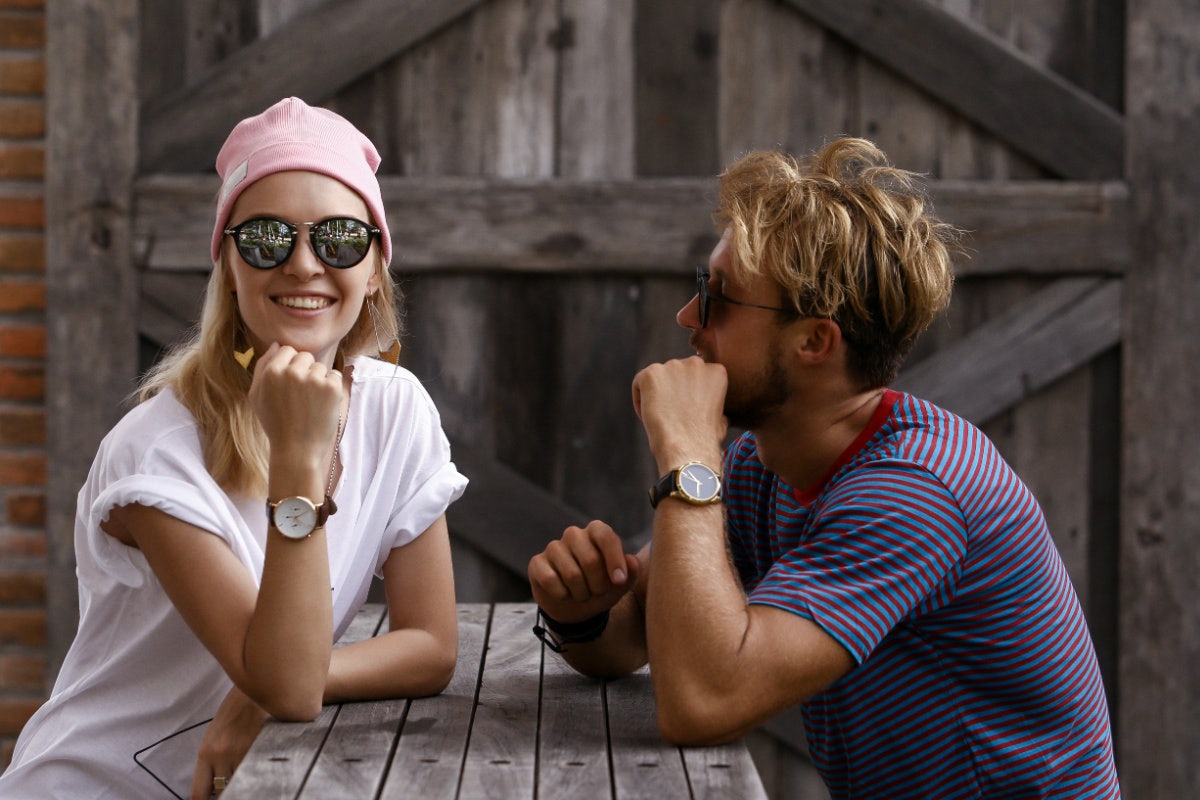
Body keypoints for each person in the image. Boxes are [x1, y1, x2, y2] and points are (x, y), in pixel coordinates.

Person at [528, 138, 1121, 799]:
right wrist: (577, 613)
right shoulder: (766, 463)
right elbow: (631, 634)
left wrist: (688, 458)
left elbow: (702, 702)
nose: (688, 318)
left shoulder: (914, 493)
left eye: (718, 296)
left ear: (814, 341)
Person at [0, 97, 467, 799]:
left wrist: (274, 687)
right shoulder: (156, 453)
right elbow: (290, 683)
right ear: (230, 264)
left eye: (339, 238)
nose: (304, 264)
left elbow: (430, 647)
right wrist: (300, 459)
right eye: (267, 239)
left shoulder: (396, 409)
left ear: (373, 267)